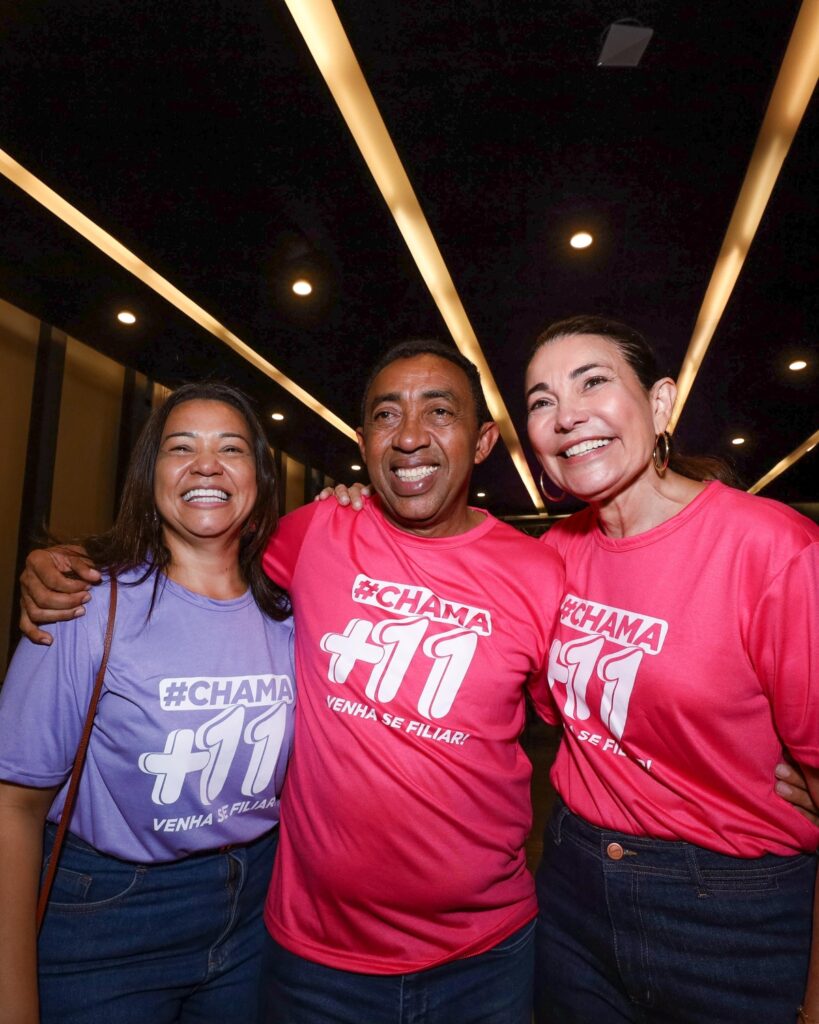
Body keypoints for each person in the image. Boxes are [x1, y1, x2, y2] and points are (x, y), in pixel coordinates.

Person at [16, 340, 817, 1023]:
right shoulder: (317, 532)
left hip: (490, 954)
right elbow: (207, 557)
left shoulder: (545, 569)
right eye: (385, 414)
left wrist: (761, 772)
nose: (408, 434)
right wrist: (76, 564)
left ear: (482, 440)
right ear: (362, 440)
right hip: (309, 957)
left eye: (439, 411)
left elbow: (597, 705)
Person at [524, 315, 819, 1024]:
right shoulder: (553, 555)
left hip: (733, 915)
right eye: (541, 401)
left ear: (659, 404)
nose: (566, 416)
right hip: (572, 888)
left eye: (592, 382)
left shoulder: (770, 548)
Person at [0, 382, 295, 1024]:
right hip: (109, 920)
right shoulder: (84, 606)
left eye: (231, 449)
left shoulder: (291, 614)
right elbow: (13, 809)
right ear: (149, 476)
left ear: (260, 477)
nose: (206, 465)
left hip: (257, 908)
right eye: (180, 447)